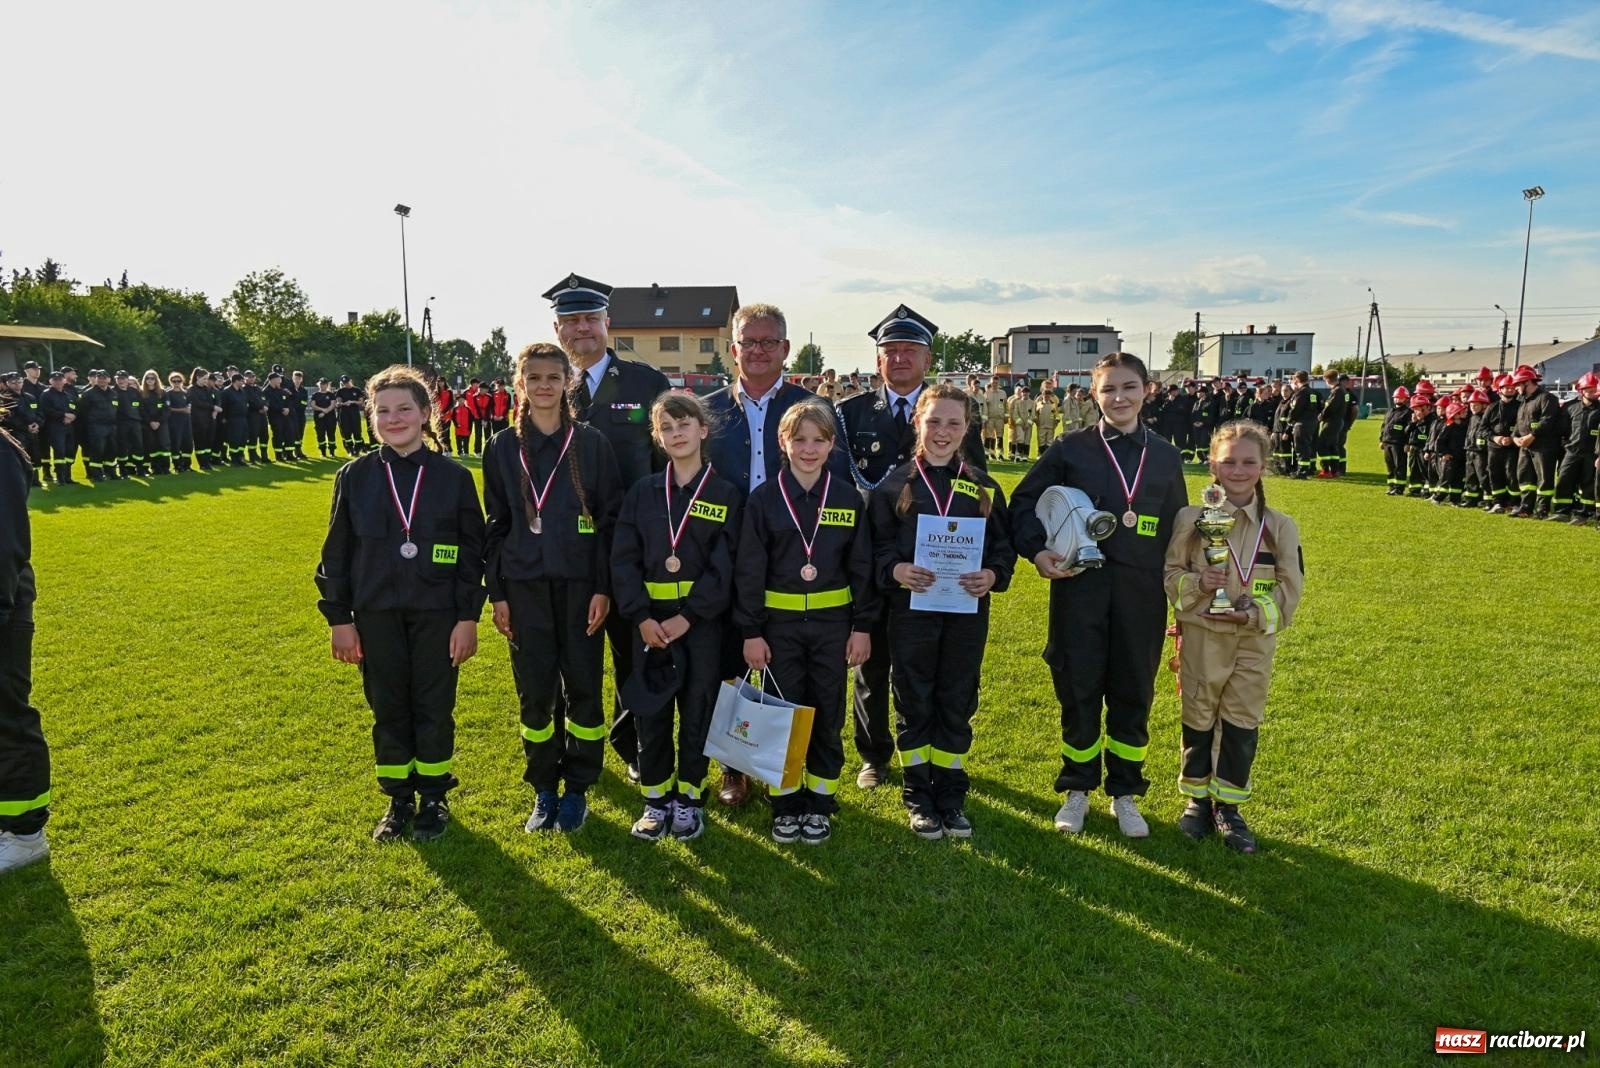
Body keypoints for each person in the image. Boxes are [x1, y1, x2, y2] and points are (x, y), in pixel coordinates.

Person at [1009, 352, 1188, 837]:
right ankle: (1077, 790)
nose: (1119, 397)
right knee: (1079, 689)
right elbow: (1022, 502)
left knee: (1133, 692)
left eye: (1129, 387)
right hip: (1081, 589)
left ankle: (1126, 794)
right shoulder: (1070, 449)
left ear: (1147, 390)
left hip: (1141, 594)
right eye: (1108, 389)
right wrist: (1038, 552)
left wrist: (1183, 594)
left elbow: (1179, 529)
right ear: (1094, 394)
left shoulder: (1167, 456)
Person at [316, 364, 485, 843]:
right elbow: (337, 552)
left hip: (438, 615)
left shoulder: (452, 477)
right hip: (375, 615)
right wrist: (340, 619)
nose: (394, 419)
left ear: (426, 412)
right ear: (372, 417)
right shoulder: (356, 476)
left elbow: (472, 554)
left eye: (404, 409)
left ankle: (434, 796)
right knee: (388, 707)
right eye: (383, 411)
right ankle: (398, 798)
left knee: (433, 705)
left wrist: (468, 618)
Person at [836, 304, 985, 792]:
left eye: (910, 351)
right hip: (872, 558)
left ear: (927, 359)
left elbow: (975, 490)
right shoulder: (850, 412)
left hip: (939, 572)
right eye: (890, 351)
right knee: (872, 660)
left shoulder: (958, 414)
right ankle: (875, 753)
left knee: (936, 666)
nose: (899, 358)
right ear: (878, 360)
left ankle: (937, 752)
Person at [703, 302, 842, 807]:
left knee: (795, 669)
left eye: (769, 342)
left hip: (795, 556)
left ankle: (796, 764)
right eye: (749, 342)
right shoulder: (710, 409)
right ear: (733, 348)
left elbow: (838, 483)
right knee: (731, 662)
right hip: (724, 554)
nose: (758, 351)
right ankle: (735, 767)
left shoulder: (815, 408)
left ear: (785, 348)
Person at [483, 342, 622, 834]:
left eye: (553, 377)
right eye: (534, 377)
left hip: (583, 588)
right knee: (536, 691)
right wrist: (497, 594)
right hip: (523, 589)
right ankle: (544, 785)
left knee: (584, 687)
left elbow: (610, 523)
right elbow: (495, 524)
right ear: (519, 384)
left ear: (569, 382)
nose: (544, 385)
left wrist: (604, 588)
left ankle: (578, 787)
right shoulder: (501, 447)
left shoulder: (591, 443)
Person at [867, 383, 1015, 839]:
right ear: (918, 422)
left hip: (967, 613)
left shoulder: (983, 488)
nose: (943, 431)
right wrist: (897, 570)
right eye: (934, 421)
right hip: (911, 614)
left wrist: (991, 575)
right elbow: (873, 551)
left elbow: (1003, 550)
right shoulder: (892, 487)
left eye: (953, 423)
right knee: (913, 697)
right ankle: (917, 793)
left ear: (967, 427)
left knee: (956, 698)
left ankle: (950, 792)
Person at [543, 273, 671, 781]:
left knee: (630, 650)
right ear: (557, 329)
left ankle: (632, 743)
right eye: (571, 321)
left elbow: (668, 465)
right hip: (561, 550)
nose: (582, 330)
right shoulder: (543, 385)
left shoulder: (645, 383)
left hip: (627, 545)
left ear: (607, 324)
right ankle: (558, 754)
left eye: (590, 320)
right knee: (561, 655)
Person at [735, 399, 878, 845]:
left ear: (832, 445)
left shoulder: (846, 497)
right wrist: (751, 631)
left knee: (827, 712)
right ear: (783, 443)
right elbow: (749, 571)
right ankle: (786, 801)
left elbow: (862, 567)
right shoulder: (763, 500)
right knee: (785, 714)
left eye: (818, 440)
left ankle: (820, 801)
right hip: (778, 630)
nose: (809, 449)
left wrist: (862, 626)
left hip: (833, 627)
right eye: (799, 440)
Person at [1163, 420, 1304, 853]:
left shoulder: (1280, 526)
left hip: (1254, 639)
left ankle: (1230, 805)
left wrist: (1254, 614)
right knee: (1200, 710)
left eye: (1248, 462)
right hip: (1205, 632)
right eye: (1229, 462)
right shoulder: (1192, 518)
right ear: (1212, 465)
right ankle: (1196, 799)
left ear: (1264, 465)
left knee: (1242, 718)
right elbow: (1170, 574)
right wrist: (1198, 584)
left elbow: (1290, 586)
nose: (1238, 471)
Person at [611, 392, 741, 841]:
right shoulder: (642, 493)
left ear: (703, 431)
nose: (676, 433)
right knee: (652, 711)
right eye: (666, 427)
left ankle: (688, 800)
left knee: (697, 709)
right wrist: (641, 616)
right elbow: (623, 560)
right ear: (658, 438)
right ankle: (655, 800)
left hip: (700, 626)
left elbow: (727, 565)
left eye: (684, 424)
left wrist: (690, 617)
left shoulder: (725, 495)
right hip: (649, 626)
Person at [0, 416, 49, 873]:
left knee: (6, 717)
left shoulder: (1, 454)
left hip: (4, 607)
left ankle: (24, 832)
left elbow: (5, 545)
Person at [1509, 365, 1562, 519]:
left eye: (1518, 385)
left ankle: (1542, 509)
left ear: (1527, 382)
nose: (1516, 388)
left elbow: (1548, 420)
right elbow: (1519, 424)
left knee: (1544, 478)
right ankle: (1526, 507)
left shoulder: (1547, 398)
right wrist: (1515, 438)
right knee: (1525, 478)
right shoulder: (1523, 402)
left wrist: (1532, 435)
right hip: (1525, 447)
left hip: (1543, 446)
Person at [1552, 372, 1599, 523]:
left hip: (1591, 453)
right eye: (1589, 390)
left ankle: (1583, 513)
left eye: (1594, 390)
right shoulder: (1569, 407)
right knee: (1564, 479)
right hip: (1572, 452)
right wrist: (1566, 446)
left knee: (1588, 483)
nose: (1592, 393)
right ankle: (1562, 511)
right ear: (1581, 390)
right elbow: (1562, 430)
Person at [1484, 374, 1520, 512]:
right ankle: (1498, 503)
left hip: (1513, 448)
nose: (1510, 390)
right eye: (1507, 388)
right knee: (1495, 473)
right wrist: (1495, 438)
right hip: (1494, 448)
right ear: (1499, 390)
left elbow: (1522, 425)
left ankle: (1515, 503)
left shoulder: (1520, 407)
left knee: (1512, 474)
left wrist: (1512, 438)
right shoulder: (1491, 408)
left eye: (1512, 388)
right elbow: (1483, 428)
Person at [39, 372, 78, 485]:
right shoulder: (46, 395)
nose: (58, 382)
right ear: (50, 381)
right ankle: (60, 477)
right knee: (59, 452)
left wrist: (73, 416)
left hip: (69, 426)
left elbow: (74, 407)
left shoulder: (67, 395)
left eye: (60, 379)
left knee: (70, 451)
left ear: (64, 380)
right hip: (55, 427)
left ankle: (68, 476)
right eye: (55, 380)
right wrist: (63, 415)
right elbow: (46, 411)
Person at [78, 370, 117, 482]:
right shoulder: (88, 394)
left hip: (111, 426)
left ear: (109, 379)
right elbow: (83, 412)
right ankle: (96, 474)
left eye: (104, 378)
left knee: (111, 450)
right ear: (96, 379)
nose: (102, 380)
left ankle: (111, 472)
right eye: (99, 377)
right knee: (97, 450)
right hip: (96, 426)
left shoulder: (113, 393)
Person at [1284, 371, 1320, 479]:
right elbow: (1317, 408)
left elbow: (1295, 410)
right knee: (1308, 447)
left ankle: (1302, 471)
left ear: (1296, 380)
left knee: (1301, 448)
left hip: (1302, 423)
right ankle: (1307, 469)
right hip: (1312, 423)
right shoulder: (1312, 392)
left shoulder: (1301, 393)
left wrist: (1289, 421)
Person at [1379, 387, 1412, 495]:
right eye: (1396, 397)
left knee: (1400, 467)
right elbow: (1384, 426)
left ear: (1406, 399)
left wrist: (1407, 443)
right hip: (1387, 442)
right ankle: (1391, 486)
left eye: (1401, 398)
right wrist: (1381, 440)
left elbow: (1409, 430)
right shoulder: (1390, 411)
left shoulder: (1408, 413)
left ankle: (1399, 488)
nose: (1398, 400)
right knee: (1390, 466)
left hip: (1399, 444)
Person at [113, 371, 145, 478]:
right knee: (122, 447)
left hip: (135, 423)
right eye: (118, 379)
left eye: (123, 378)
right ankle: (123, 471)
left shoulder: (134, 392)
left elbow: (140, 406)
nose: (120, 381)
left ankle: (140, 469)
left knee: (138, 446)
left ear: (127, 380)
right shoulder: (113, 392)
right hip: (121, 423)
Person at [188, 369, 220, 470]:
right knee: (200, 442)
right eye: (204, 378)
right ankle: (202, 463)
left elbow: (215, 399)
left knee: (208, 441)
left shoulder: (208, 389)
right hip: (198, 420)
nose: (206, 381)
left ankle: (207, 462)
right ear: (197, 378)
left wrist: (215, 408)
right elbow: (198, 403)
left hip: (209, 419)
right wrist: (213, 407)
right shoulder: (192, 390)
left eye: (207, 379)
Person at [163, 372, 194, 474]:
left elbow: (189, 405)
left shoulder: (185, 393)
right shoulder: (168, 393)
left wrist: (188, 409)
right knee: (176, 444)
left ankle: (187, 465)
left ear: (182, 381)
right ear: (170, 382)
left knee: (188, 444)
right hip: (174, 423)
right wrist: (182, 410)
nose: (176, 383)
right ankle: (177, 465)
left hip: (186, 422)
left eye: (178, 380)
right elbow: (168, 408)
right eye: (174, 381)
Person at [218, 373, 251, 466]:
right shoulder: (226, 392)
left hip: (243, 418)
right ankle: (234, 459)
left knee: (243, 439)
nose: (243, 383)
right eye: (241, 381)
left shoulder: (242, 391)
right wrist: (224, 418)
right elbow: (223, 406)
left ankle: (240, 457)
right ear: (236, 381)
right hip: (233, 419)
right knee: (234, 439)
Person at [336, 375, 367, 457]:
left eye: (347, 382)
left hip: (354, 413)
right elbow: (338, 402)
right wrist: (343, 403)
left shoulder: (357, 390)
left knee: (357, 432)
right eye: (344, 383)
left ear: (351, 381)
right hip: (344, 413)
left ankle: (357, 449)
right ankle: (350, 449)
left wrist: (352, 401)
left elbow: (361, 402)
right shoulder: (340, 391)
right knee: (346, 432)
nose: (346, 384)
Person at [243, 370, 270, 464]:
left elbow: (264, 399)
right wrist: (259, 408)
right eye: (249, 377)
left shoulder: (257, 389)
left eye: (253, 376)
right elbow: (249, 402)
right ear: (245, 378)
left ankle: (264, 456)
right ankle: (252, 457)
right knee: (253, 437)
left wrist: (266, 406)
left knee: (264, 436)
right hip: (252, 415)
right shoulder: (244, 389)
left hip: (262, 416)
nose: (251, 378)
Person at [1006, 383, 1035, 462]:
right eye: (1023, 392)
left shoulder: (1032, 403)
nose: (1025, 393)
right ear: (1021, 393)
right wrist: (1021, 423)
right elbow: (1015, 414)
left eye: (1027, 392)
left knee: (1027, 440)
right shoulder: (1017, 402)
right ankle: (1018, 455)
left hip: (1028, 425)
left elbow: (1033, 415)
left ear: (1029, 393)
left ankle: (1025, 456)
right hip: (1020, 425)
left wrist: (1028, 424)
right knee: (1020, 439)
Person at [310, 379, 339, 458]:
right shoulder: (315, 395)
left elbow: (333, 404)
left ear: (327, 385)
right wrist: (322, 410)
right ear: (319, 384)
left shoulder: (331, 394)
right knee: (320, 435)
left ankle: (332, 452)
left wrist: (325, 412)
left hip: (330, 417)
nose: (323, 386)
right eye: (321, 384)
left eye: (324, 384)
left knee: (331, 434)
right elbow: (313, 405)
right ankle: (323, 452)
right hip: (319, 418)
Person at [982, 379, 1007, 461]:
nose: (995, 384)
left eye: (996, 383)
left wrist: (1006, 416)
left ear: (998, 383)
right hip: (990, 418)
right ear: (990, 383)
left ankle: (999, 454)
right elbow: (984, 407)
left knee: (1000, 436)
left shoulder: (1003, 393)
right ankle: (986, 453)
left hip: (1000, 418)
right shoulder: (986, 394)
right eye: (993, 383)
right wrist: (985, 418)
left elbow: (1006, 406)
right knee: (988, 436)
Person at [289, 371, 310, 460]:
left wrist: (295, 404)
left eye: (299, 378)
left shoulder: (303, 390)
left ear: (301, 379)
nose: (297, 380)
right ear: (293, 378)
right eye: (296, 378)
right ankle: (291, 451)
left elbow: (304, 403)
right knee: (292, 433)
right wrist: (296, 404)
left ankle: (298, 450)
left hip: (301, 415)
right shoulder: (289, 389)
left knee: (300, 433)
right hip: (291, 415)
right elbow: (289, 402)